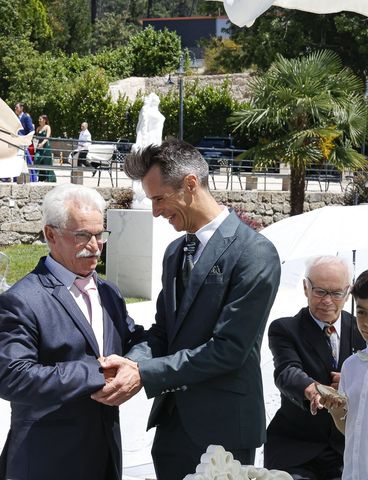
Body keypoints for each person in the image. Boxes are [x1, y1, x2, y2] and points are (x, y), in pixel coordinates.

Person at [92, 139, 281, 479]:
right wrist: (131, 362)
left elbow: (229, 350)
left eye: (159, 198)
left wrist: (144, 374)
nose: (154, 212)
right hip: (172, 428)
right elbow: (164, 330)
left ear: (191, 184)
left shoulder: (255, 253)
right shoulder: (175, 252)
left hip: (224, 433)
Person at [0, 184, 144, 480]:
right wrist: (96, 373)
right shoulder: (22, 300)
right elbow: (11, 377)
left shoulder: (109, 292)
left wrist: (139, 366)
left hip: (104, 455)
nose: (96, 245)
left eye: (100, 234)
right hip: (48, 459)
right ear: (51, 235)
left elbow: (131, 340)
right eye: (83, 236)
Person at [264, 256, 365, 479]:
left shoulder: (361, 327)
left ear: (348, 292)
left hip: (347, 449)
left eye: (336, 293)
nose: (327, 300)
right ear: (305, 287)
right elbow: (286, 371)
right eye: (320, 291)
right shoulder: (285, 328)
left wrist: (352, 380)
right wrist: (316, 390)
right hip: (296, 449)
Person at [320, 269, 368, 480]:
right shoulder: (351, 365)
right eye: (361, 312)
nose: (365, 322)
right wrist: (335, 410)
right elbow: (351, 429)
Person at [33, 115, 56, 182]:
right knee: (36, 159)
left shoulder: (47, 127)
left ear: (44, 120)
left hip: (46, 147)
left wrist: (42, 143)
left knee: (47, 162)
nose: (39, 120)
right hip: (39, 147)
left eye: (40, 119)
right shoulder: (38, 128)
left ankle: (49, 179)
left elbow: (47, 137)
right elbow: (36, 138)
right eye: (39, 119)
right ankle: (39, 177)